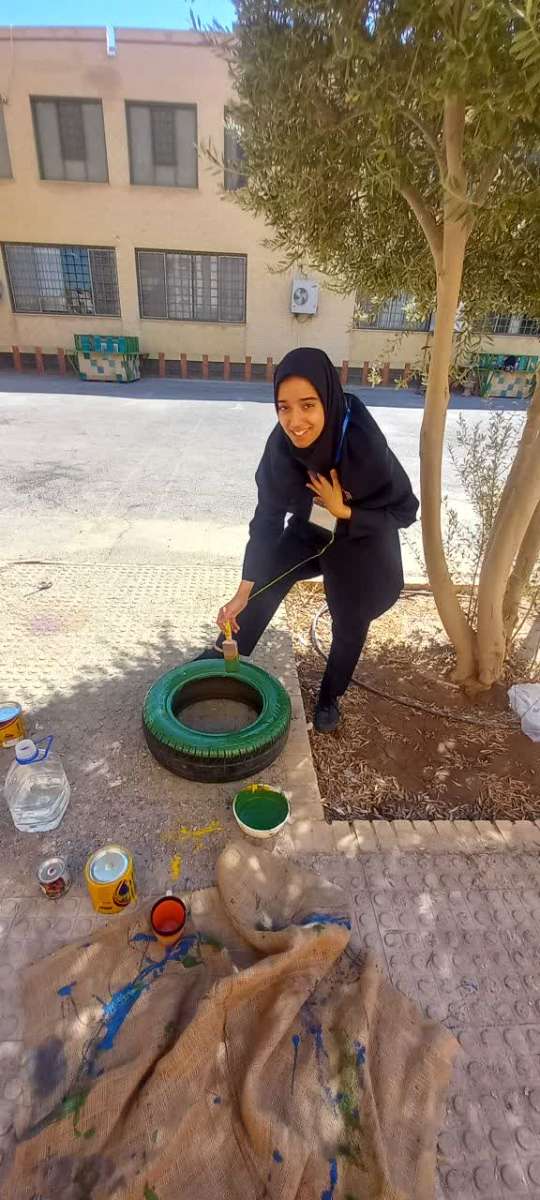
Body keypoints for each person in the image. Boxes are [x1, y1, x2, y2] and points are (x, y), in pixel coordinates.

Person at [201, 347, 419, 733]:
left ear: (327, 400)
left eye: (307, 405)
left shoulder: (363, 443)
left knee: (348, 621)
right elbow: (267, 520)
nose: (295, 421)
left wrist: (344, 510)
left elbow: (405, 511)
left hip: (362, 539)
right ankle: (222, 656)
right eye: (283, 408)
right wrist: (243, 591)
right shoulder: (282, 446)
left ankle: (330, 696)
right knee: (267, 576)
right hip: (314, 526)